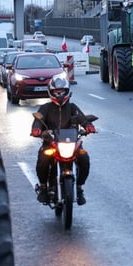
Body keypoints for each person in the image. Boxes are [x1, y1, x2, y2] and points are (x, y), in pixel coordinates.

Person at [31, 76, 96, 205]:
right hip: (51, 142)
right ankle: (43, 187)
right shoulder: (46, 108)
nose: (59, 94)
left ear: (67, 91)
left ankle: (79, 188)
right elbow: (38, 120)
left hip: (72, 143)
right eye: (56, 91)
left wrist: (88, 126)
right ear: (51, 92)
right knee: (43, 160)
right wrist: (37, 130)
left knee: (84, 158)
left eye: (62, 91)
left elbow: (82, 118)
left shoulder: (72, 107)